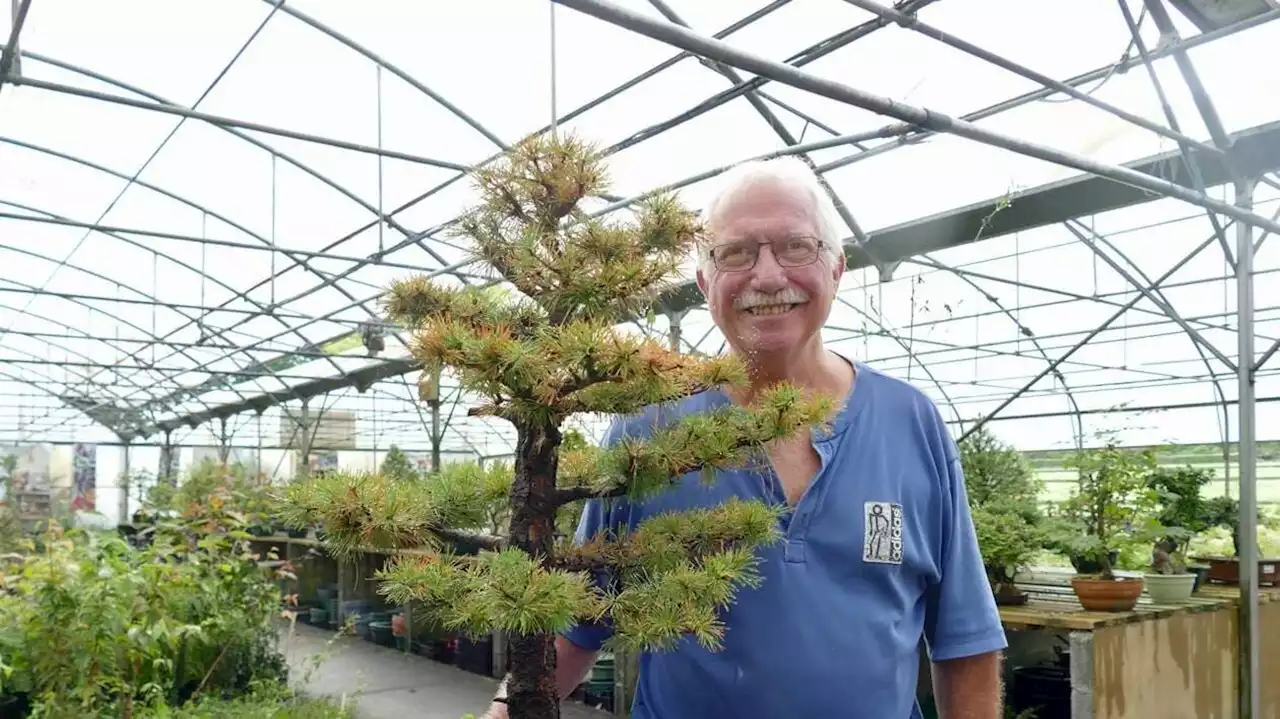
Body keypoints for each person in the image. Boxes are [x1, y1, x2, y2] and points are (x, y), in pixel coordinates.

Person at [483, 157, 1007, 718]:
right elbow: (577, 627)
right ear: (706, 282)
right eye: (736, 252)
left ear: (836, 269)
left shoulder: (911, 422)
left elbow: (965, 639)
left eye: (796, 247)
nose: (767, 276)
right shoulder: (649, 429)